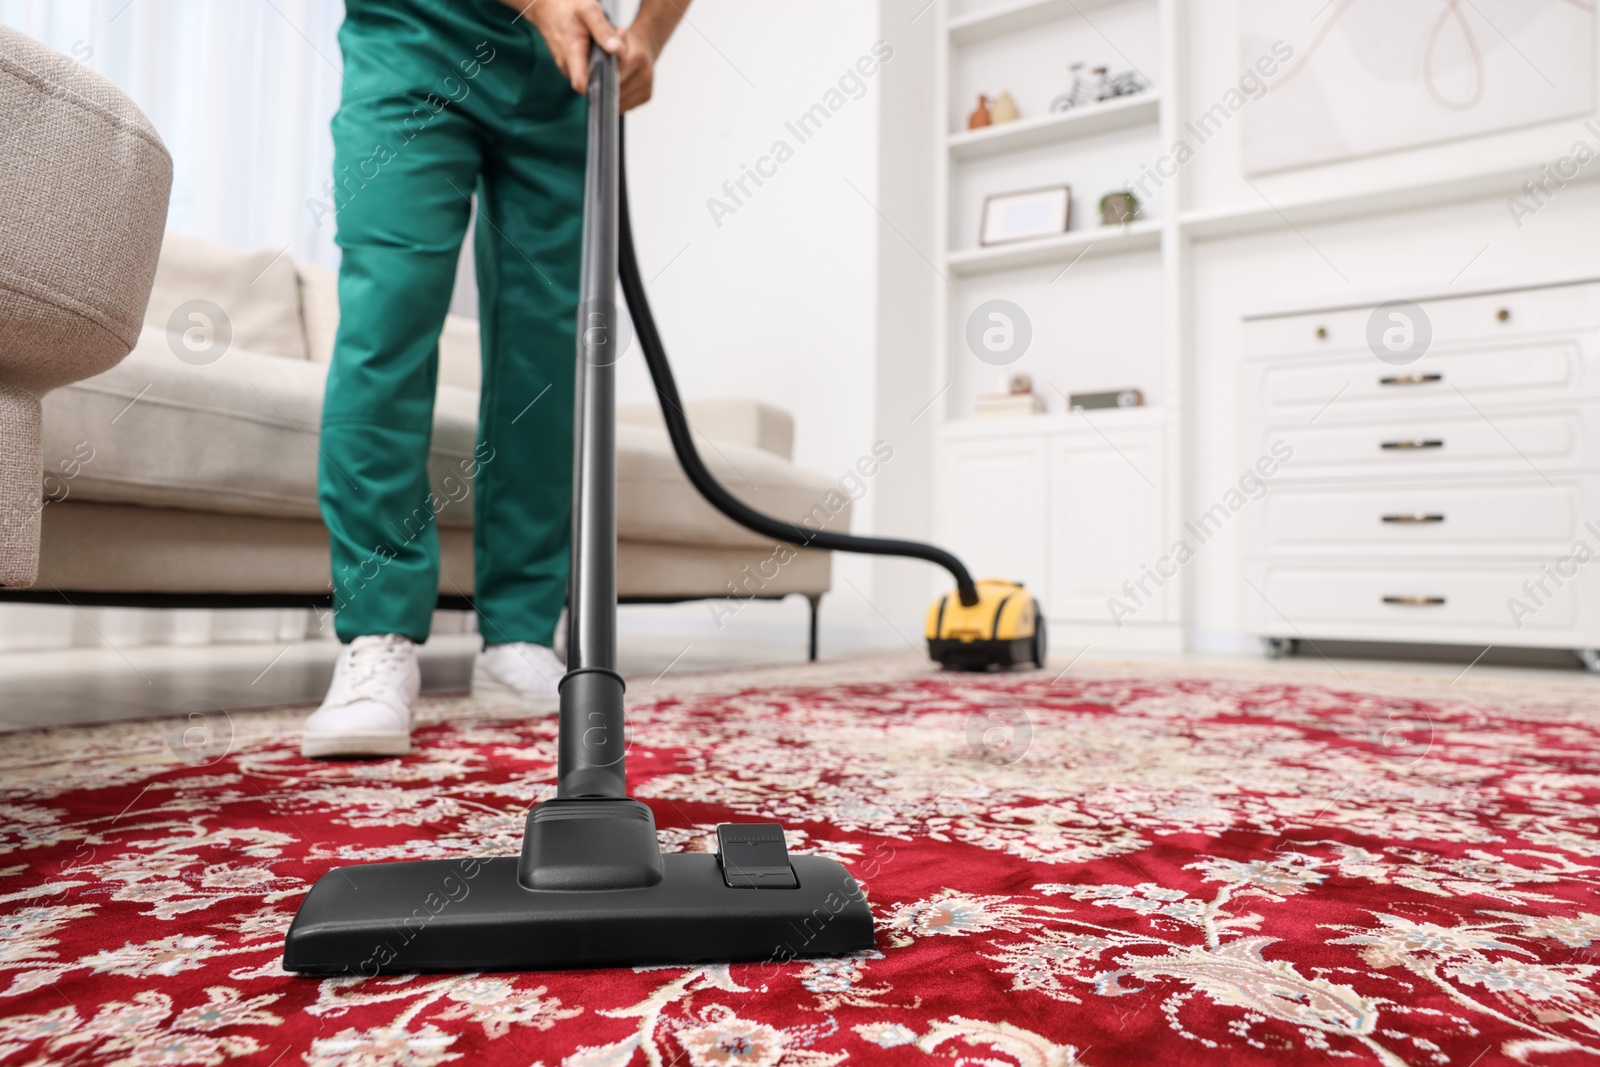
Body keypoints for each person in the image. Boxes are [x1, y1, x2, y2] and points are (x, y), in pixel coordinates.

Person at [301, 0, 688, 758]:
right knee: (390, 319)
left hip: (562, 76)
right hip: (410, 34)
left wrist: (647, 35)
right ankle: (377, 637)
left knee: (549, 356)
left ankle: (519, 636)